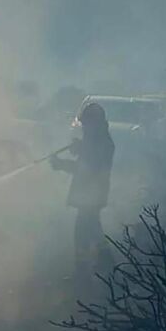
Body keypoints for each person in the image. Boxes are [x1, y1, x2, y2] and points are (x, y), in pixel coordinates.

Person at [50, 102, 115, 285]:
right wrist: (80, 148)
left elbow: (86, 168)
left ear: (94, 122)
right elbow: (88, 158)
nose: (85, 127)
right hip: (92, 195)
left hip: (91, 195)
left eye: (87, 123)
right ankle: (105, 263)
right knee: (93, 228)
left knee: (82, 233)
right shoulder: (98, 140)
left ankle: (84, 273)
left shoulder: (101, 142)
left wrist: (61, 164)